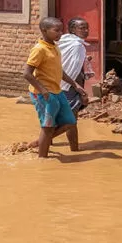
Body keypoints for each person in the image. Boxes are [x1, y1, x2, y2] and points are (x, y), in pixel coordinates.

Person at [23, 17, 87, 158]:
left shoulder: (55, 47)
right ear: (44, 31)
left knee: (70, 122)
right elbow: (27, 74)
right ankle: (43, 160)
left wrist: (75, 85)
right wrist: (43, 90)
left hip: (57, 91)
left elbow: (60, 71)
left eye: (61, 30)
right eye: (56, 30)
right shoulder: (39, 49)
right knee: (48, 127)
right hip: (43, 93)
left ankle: (37, 143)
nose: (60, 33)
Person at [58, 17, 93, 115]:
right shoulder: (77, 45)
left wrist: (85, 59)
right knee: (70, 119)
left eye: (87, 28)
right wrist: (80, 90)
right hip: (70, 86)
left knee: (71, 120)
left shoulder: (64, 41)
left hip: (60, 83)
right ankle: (49, 131)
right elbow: (74, 71)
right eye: (82, 28)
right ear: (73, 30)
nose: (86, 31)